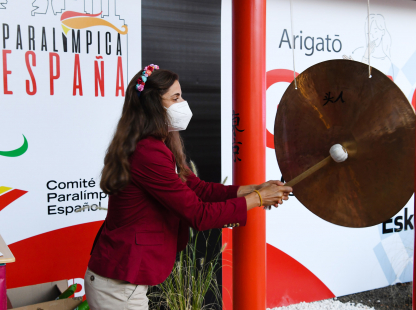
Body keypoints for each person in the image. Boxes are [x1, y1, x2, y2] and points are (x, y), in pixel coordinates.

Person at [84, 64, 293, 309]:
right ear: (153, 105)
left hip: (123, 282)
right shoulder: (147, 152)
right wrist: (259, 198)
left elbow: (199, 189)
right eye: (175, 97)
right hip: (118, 285)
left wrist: (252, 188)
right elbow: (198, 214)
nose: (183, 102)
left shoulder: (160, 145)